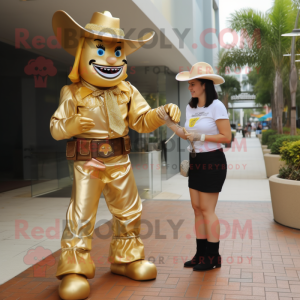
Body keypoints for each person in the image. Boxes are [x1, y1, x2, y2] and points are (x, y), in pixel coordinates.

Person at [50, 10, 181, 299]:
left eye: (118, 51)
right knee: (82, 214)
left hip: (120, 159)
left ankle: (127, 259)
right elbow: (55, 128)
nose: (111, 59)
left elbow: (141, 121)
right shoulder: (72, 93)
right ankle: (74, 268)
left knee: (130, 211)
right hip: (88, 162)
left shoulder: (127, 91)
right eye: (101, 50)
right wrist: (71, 125)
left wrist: (161, 113)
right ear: (81, 54)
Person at [157, 62, 231, 271]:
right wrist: (170, 124)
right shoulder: (190, 107)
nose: (190, 88)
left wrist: (203, 136)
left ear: (205, 84)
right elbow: (187, 134)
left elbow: (226, 137)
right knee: (197, 209)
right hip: (196, 161)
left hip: (213, 161)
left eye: (193, 84)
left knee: (207, 210)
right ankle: (200, 254)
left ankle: (213, 257)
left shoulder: (217, 106)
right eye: (189, 84)